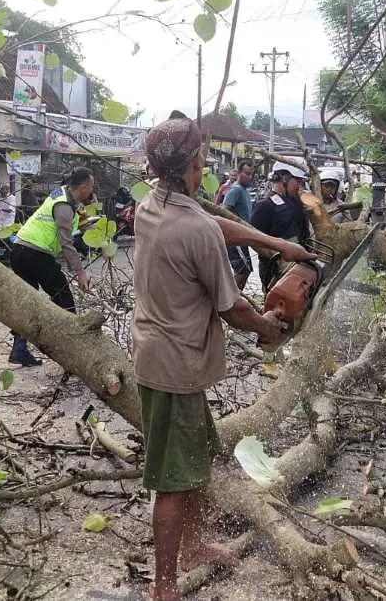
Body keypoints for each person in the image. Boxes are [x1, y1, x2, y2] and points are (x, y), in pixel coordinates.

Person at [133, 111, 313, 601]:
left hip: (161, 356)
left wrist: (272, 242)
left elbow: (212, 225)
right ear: (194, 161)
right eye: (201, 156)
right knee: (172, 481)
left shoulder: (154, 205)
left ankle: (194, 548)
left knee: (192, 465)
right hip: (176, 366)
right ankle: (164, 587)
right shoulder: (194, 228)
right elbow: (233, 308)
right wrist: (269, 326)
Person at [6, 167, 96, 366]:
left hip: (19, 249)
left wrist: (83, 226)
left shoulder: (60, 193)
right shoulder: (64, 205)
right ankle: (72, 350)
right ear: (84, 186)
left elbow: (66, 224)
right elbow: (65, 243)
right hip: (35, 254)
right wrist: (80, 272)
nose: (92, 191)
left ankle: (19, 349)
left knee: (28, 302)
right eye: (91, 187)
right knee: (64, 299)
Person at [250, 161, 312, 292]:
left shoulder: (296, 204)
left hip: (300, 266)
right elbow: (254, 241)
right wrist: (276, 259)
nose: (299, 186)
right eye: (298, 181)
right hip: (275, 271)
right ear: (285, 178)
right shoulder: (265, 206)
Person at [222, 160, 256, 289]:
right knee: (242, 271)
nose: (250, 177)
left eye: (252, 174)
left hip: (243, 237)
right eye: (247, 173)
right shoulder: (235, 190)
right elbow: (225, 210)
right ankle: (231, 299)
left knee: (245, 270)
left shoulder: (245, 191)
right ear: (239, 173)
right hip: (235, 237)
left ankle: (236, 297)